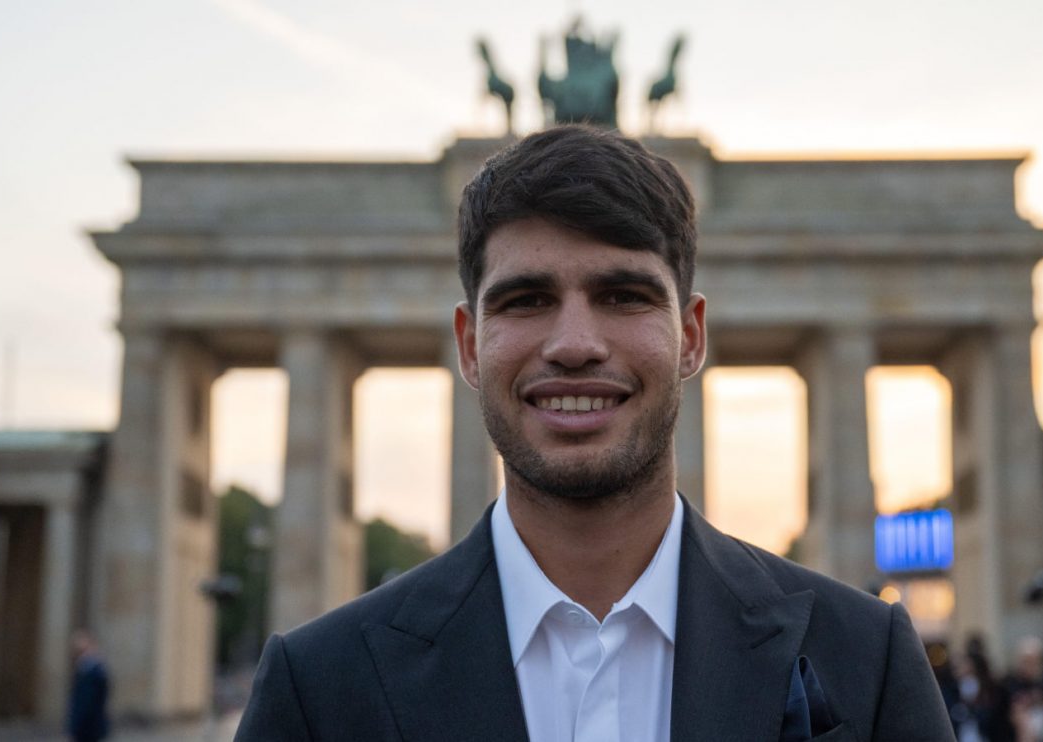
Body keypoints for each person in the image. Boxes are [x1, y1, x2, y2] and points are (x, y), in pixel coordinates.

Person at [234, 125, 954, 741]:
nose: (574, 342)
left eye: (622, 295)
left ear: (691, 336)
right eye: (527, 300)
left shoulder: (866, 658)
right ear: (469, 344)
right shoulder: (317, 688)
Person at [66, 629, 110, 742]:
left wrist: (75, 727)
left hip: (88, 727)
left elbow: (86, 702)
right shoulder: (92, 668)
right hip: (90, 726)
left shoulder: (92, 670)